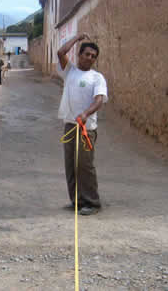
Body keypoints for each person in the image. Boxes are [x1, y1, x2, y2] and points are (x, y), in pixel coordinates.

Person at [57, 33, 108, 216]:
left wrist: (86, 113)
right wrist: (77, 38)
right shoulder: (69, 71)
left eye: (93, 56)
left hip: (87, 128)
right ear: (79, 55)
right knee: (70, 165)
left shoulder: (97, 78)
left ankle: (92, 202)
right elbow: (61, 51)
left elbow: (99, 100)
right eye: (86, 54)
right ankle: (76, 201)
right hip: (70, 125)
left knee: (84, 165)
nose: (90, 58)